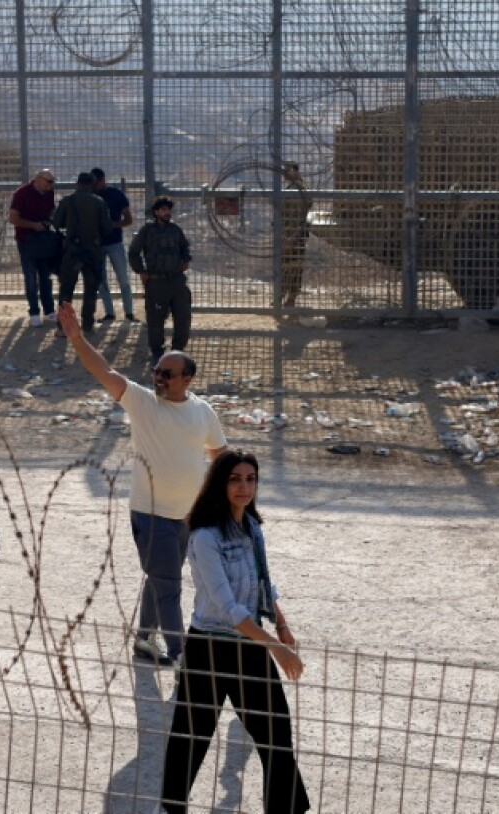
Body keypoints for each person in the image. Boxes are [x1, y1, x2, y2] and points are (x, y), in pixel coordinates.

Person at [57, 303, 226, 665]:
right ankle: (182, 655)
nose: (158, 378)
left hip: (186, 517)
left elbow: (221, 458)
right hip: (150, 515)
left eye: (167, 373)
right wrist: (77, 338)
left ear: (187, 380)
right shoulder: (142, 402)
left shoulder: (203, 411)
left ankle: (144, 639)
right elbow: (103, 370)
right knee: (169, 585)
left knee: (161, 577)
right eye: (157, 371)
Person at [159, 450, 310, 813]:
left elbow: (263, 585)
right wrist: (277, 647)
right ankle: (170, 808)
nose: (244, 487)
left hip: (250, 645)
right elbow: (228, 608)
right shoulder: (204, 537)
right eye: (235, 479)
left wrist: (282, 625)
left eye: (250, 479)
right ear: (220, 483)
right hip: (209, 648)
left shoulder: (252, 528)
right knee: (191, 738)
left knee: (276, 736)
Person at [128, 197, 193, 364]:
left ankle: (178, 351)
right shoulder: (147, 231)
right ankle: (157, 353)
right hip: (156, 282)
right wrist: (141, 271)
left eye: (168, 210)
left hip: (177, 281)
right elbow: (134, 252)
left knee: (183, 317)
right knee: (156, 320)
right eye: (163, 210)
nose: (167, 213)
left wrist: (185, 261)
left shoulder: (175, 230)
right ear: (156, 212)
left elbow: (184, 247)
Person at [52, 172, 113, 335]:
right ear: (92, 185)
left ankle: (63, 327)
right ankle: (87, 326)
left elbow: (56, 223)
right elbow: (107, 228)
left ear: (77, 184)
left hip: (72, 250)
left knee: (66, 290)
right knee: (91, 289)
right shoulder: (99, 202)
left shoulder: (67, 201)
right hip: (92, 251)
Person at [8, 168, 59, 327]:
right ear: (38, 179)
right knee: (31, 277)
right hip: (26, 240)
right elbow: (13, 218)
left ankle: (49, 310)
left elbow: (51, 210)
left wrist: (48, 221)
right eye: (48, 182)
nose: (50, 185)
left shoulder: (49, 193)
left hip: (43, 239)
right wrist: (33, 225)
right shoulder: (21, 193)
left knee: (45, 276)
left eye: (52, 182)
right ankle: (34, 312)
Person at [91, 168, 137, 323]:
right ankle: (109, 313)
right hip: (97, 244)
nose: (96, 185)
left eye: (98, 182)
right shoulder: (90, 196)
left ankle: (129, 313)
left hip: (114, 242)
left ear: (103, 180)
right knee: (101, 281)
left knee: (123, 279)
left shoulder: (116, 194)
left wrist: (112, 225)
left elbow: (129, 219)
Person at [280, 162, 311, 308]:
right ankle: (286, 297)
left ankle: (288, 298)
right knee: (291, 266)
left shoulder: (297, 189)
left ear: (294, 171)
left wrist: (289, 238)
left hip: (293, 235)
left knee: (291, 266)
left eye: (287, 171)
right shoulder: (297, 188)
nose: (284, 174)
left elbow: (297, 217)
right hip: (292, 234)